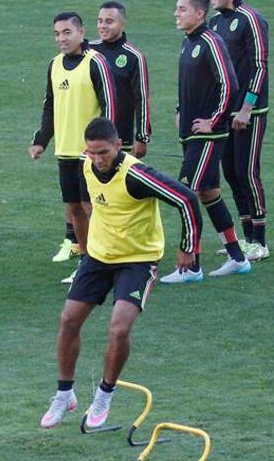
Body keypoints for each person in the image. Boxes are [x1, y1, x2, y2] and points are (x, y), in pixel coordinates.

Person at [40, 118, 201, 429]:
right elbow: (87, 209)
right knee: (68, 319)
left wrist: (188, 246)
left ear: (118, 146)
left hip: (138, 260)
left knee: (119, 328)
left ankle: (104, 395)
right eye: (91, 152)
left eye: (103, 152)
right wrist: (86, 252)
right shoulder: (85, 166)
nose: (97, 159)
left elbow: (186, 200)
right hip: (99, 257)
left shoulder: (137, 175)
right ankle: (64, 394)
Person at [160, 0, 250, 284]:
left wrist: (213, 121)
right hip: (191, 134)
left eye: (182, 9)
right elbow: (190, 84)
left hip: (207, 137)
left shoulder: (211, 42)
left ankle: (191, 266)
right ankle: (237, 258)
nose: (176, 13)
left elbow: (230, 83)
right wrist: (179, 109)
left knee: (184, 194)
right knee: (209, 194)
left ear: (200, 13)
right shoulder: (189, 42)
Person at [29, 11, 116, 280]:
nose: (61, 39)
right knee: (75, 208)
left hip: (90, 154)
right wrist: (42, 140)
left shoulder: (95, 62)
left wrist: (107, 147)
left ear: (81, 32)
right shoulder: (54, 64)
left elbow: (110, 105)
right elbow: (50, 105)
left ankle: (108, 259)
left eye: (67, 32)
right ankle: (88, 262)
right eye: (57, 34)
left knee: (93, 208)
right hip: (65, 150)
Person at [206, 0, 270, 261]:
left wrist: (247, 107)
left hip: (249, 113)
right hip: (224, 113)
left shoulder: (251, 20)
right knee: (231, 172)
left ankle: (261, 240)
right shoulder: (215, 22)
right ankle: (246, 237)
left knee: (247, 171)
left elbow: (259, 66)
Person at [90, 2, 151, 159]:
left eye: (109, 21)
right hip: (88, 137)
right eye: (100, 21)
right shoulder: (89, 51)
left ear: (122, 24)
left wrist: (142, 137)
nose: (103, 26)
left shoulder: (134, 56)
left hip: (119, 139)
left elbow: (142, 99)